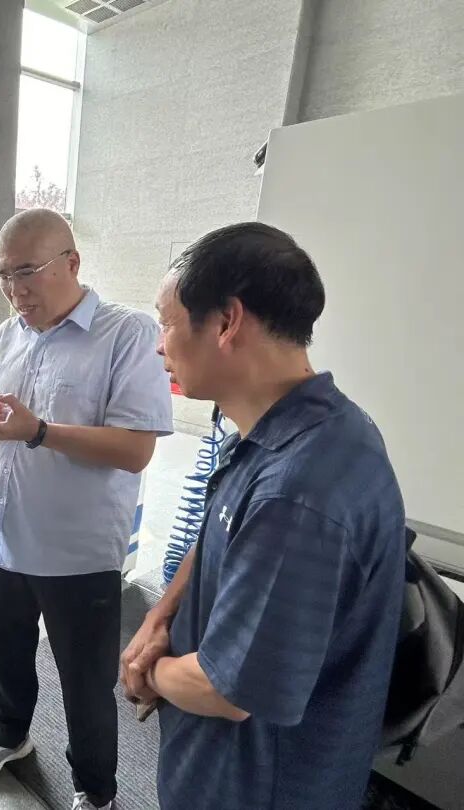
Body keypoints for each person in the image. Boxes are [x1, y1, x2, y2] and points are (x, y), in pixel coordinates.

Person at [122, 222, 406, 810]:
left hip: (256, 786)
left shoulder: (298, 492)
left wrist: (147, 670)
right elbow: (219, 529)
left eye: (166, 323)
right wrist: (162, 613)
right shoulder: (299, 428)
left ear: (227, 322)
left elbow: (228, 690)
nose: (159, 346)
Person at [0, 208, 174, 810]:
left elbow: (135, 449)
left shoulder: (125, 334)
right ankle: (8, 733)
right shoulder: (8, 334)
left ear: (72, 262)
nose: (15, 290)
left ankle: (96, 788)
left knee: (84, 681)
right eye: (4, 276)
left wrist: (38, 430)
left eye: (26, 272)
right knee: (6, 652)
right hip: (3, 534)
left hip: (76, 552)